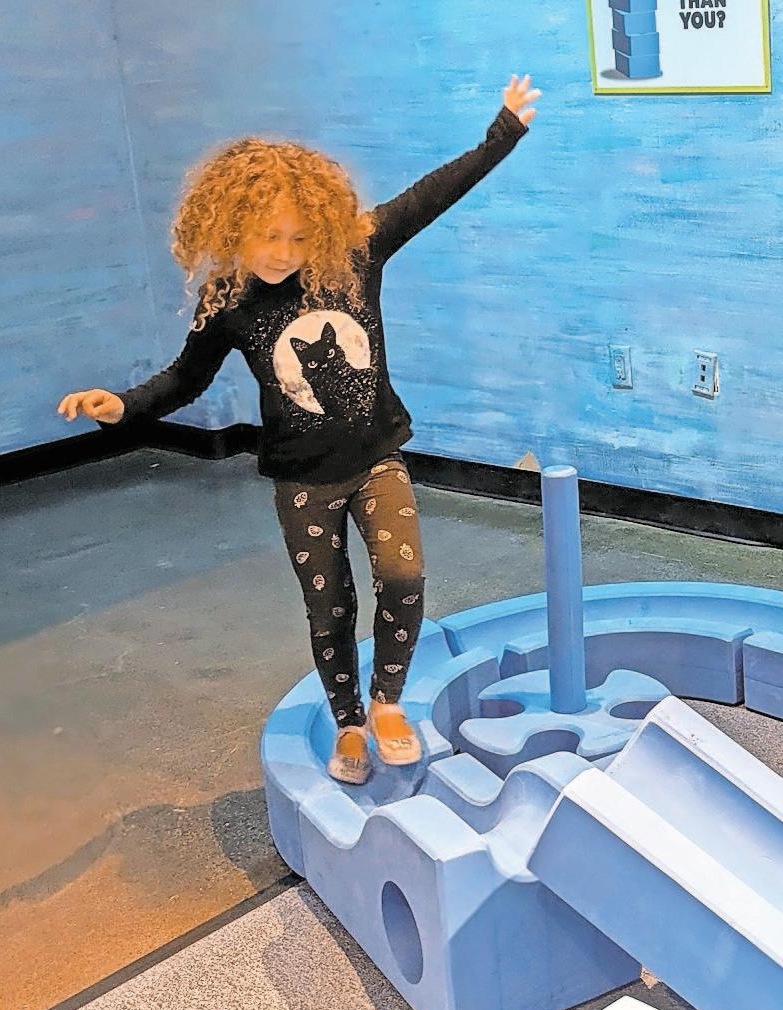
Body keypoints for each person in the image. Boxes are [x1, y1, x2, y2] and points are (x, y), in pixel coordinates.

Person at [57, 74, 540, 785]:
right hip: (302, 481)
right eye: (267, 236)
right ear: (233, 229)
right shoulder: (228, 301)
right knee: (330, 609)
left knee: (403, 575)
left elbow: (434, 195)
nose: (283, 252)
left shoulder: (354, 257)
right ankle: (349, 723)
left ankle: (387, 704)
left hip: (376, 458)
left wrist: (502, 132)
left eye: (299, 236)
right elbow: (184, 379)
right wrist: (124, 406)